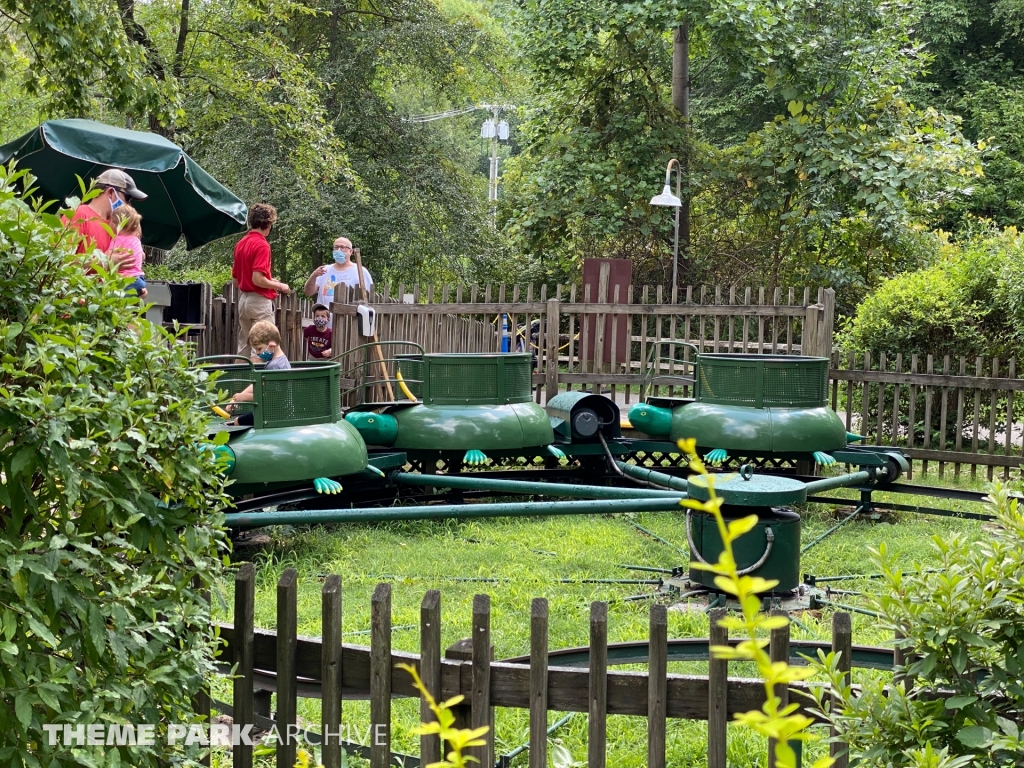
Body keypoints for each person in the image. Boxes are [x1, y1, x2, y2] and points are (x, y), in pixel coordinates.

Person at [232, 203, 290, 358]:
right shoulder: (262, 245)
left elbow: (237, 282)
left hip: (243, 301)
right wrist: (279, 285)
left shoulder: (241, 244)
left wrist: (269, 280)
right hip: (258, 302)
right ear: (268, 223)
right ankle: (256, 383)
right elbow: (257, 279)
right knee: (262, 349)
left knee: (244, 346)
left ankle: (238, 382)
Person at [63, 168, 147, 270]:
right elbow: (59, 261)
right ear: (111, 192)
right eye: (127, 198)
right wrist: (105, 261)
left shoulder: (117, 225)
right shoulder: (77, 214)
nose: (128, 204)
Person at [227, 321, 291, 426]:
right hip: (271, 412)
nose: (257, 353)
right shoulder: (278, 361)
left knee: (237, 422)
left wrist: (245, 397)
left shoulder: (276, 367)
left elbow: (272, 397)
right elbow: (258, 383)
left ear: (272, 345)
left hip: (272, 414)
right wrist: (239, 396)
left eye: (259, 349)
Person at [302, 236, 373, 327]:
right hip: (324, 327)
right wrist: (313, 276)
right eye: (336, 247)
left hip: (349, 325)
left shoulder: (360, 271)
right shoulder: (324, 270)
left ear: (350, 251)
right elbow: (308, 292)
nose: (338, 250)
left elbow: (368, 298)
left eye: (342, 247)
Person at [109, 205, 148, 298]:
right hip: (139, 280)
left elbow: (108, 255)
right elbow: (142, 256)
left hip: (124, 280)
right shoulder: (136, 240)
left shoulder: (117, 240)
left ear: (114, 224)